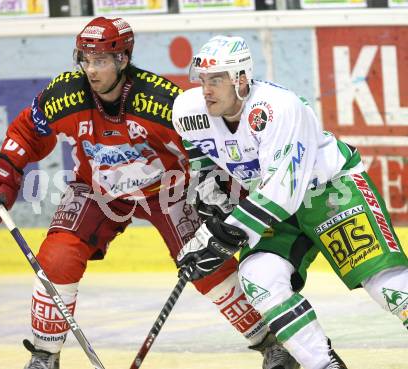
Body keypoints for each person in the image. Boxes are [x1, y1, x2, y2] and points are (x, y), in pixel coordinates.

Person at [0, 18, 299, 369]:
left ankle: (270, 343)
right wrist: (5, 168)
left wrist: (215, 193)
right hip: (96, 189)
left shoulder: (160, 103)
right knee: (57, 257)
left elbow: (204, 149)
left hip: (167, 191)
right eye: (85, 59)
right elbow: (28, 130)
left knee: (207, 261)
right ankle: (44, 355)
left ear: (123, 59)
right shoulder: (65, 94)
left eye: (100, 61)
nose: (90, 69)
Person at [173, 35, 408, 369]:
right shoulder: (188, 110)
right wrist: (210, 200)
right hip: (271, 205)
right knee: (259, 277)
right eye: (203, 80)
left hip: (331, 191)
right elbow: (202, 156)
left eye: (217, 80)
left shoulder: (276, 108)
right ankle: (322, 365)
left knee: (389, 287)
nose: (206, 89)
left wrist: (225, 236)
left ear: (241, 79)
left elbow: (283, 192)